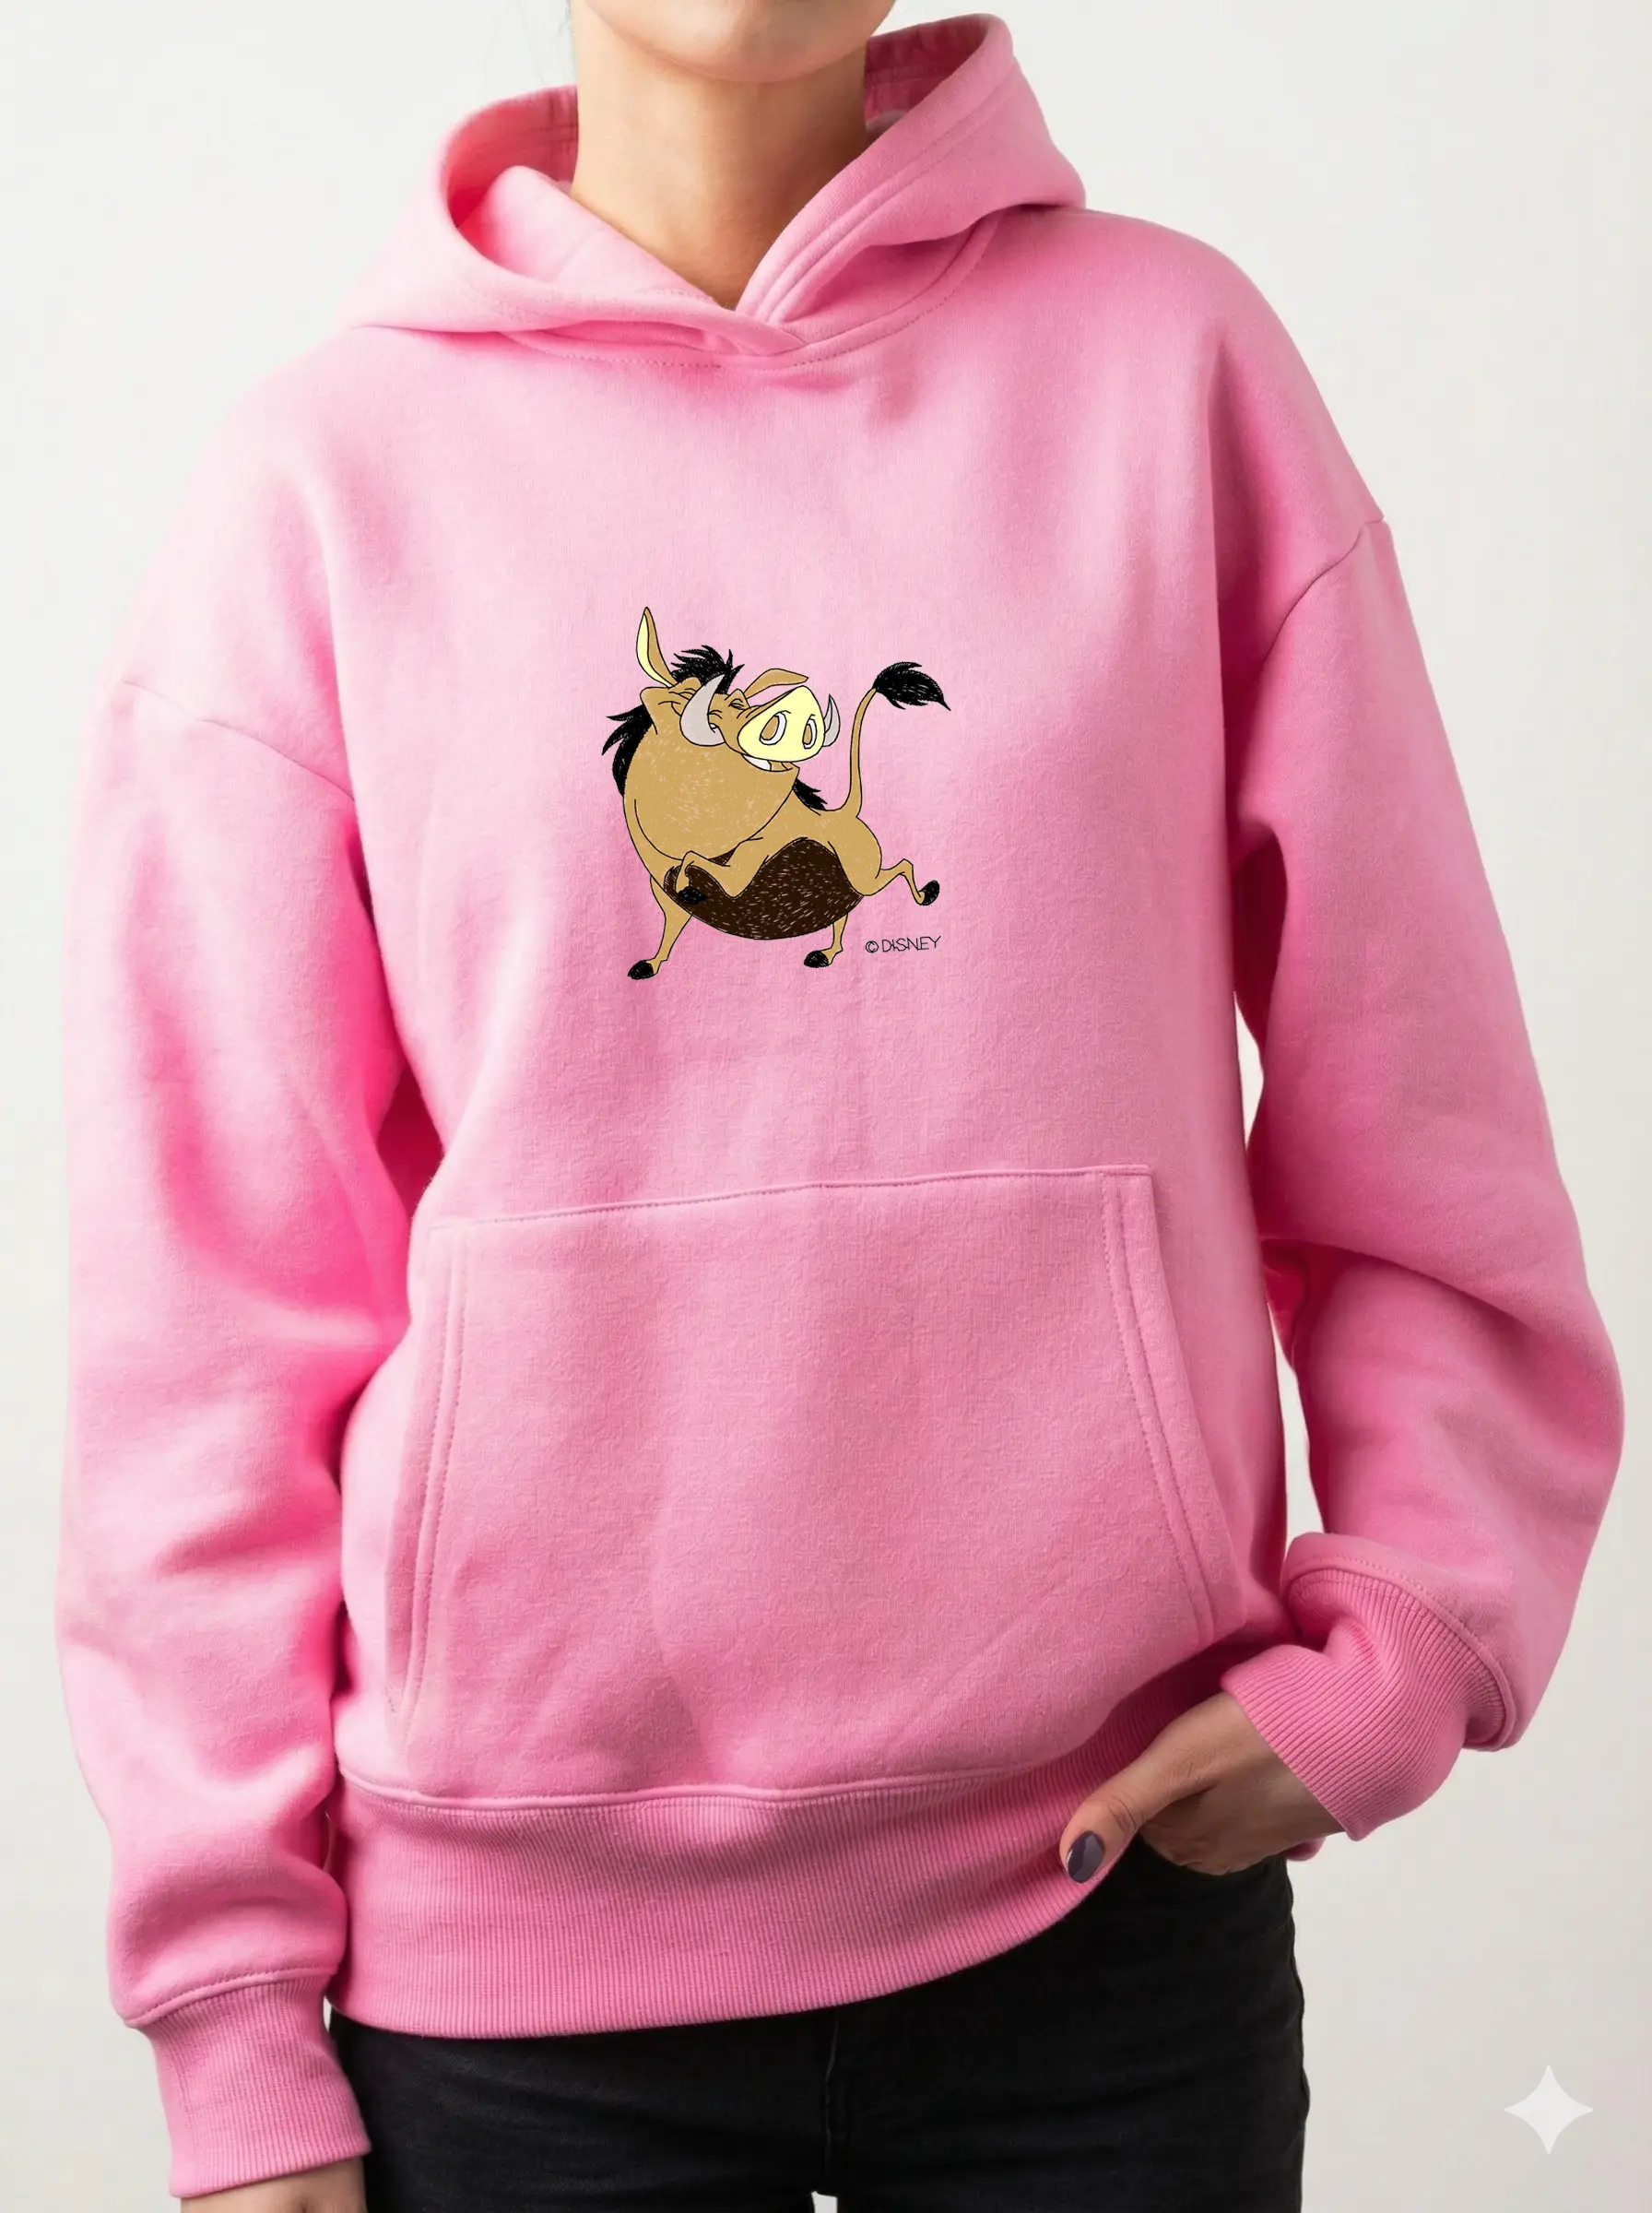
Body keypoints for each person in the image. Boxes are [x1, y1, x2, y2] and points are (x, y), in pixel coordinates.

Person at [56, 5, 1624, 2209]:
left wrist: (1408, 1633)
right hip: (504, 2003)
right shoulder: (324, 483)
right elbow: (207, 1310)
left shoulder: (1169, 372)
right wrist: (228, 2006)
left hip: (1104, 1920)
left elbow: (1416, 1089)